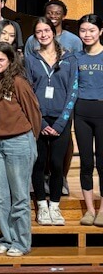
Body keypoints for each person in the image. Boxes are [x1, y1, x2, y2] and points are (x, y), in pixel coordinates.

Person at [0, 42, 41, 257]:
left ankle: (21, 242)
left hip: (18, 142)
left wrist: (30, 141)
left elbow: (34, 112)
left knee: (19, 195)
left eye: (1, 59)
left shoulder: (18, 82)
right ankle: (7, 238)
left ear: (10, 61)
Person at [25, 18, 77, 226]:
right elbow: (28, 92)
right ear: (35, 35)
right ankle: (41, 206)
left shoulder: (69, 58)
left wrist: (60, 123)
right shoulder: (30, 59)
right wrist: (41, 122)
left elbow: (73, 91)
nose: (43, 34)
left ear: (53, 32)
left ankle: (55, 206)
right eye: (39, 31)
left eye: (46, 30)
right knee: (38, 163)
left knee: (56, 164)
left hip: (61, 120)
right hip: (38, 119)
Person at [74, 14, 103, 226]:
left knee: (102, 163)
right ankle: (90, 210)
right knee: (86, 163)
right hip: (82, 112)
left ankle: (102, 211)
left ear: (100, 31)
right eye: (83, 30)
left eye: (91, 30)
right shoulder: (76, 57)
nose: (87, 34)